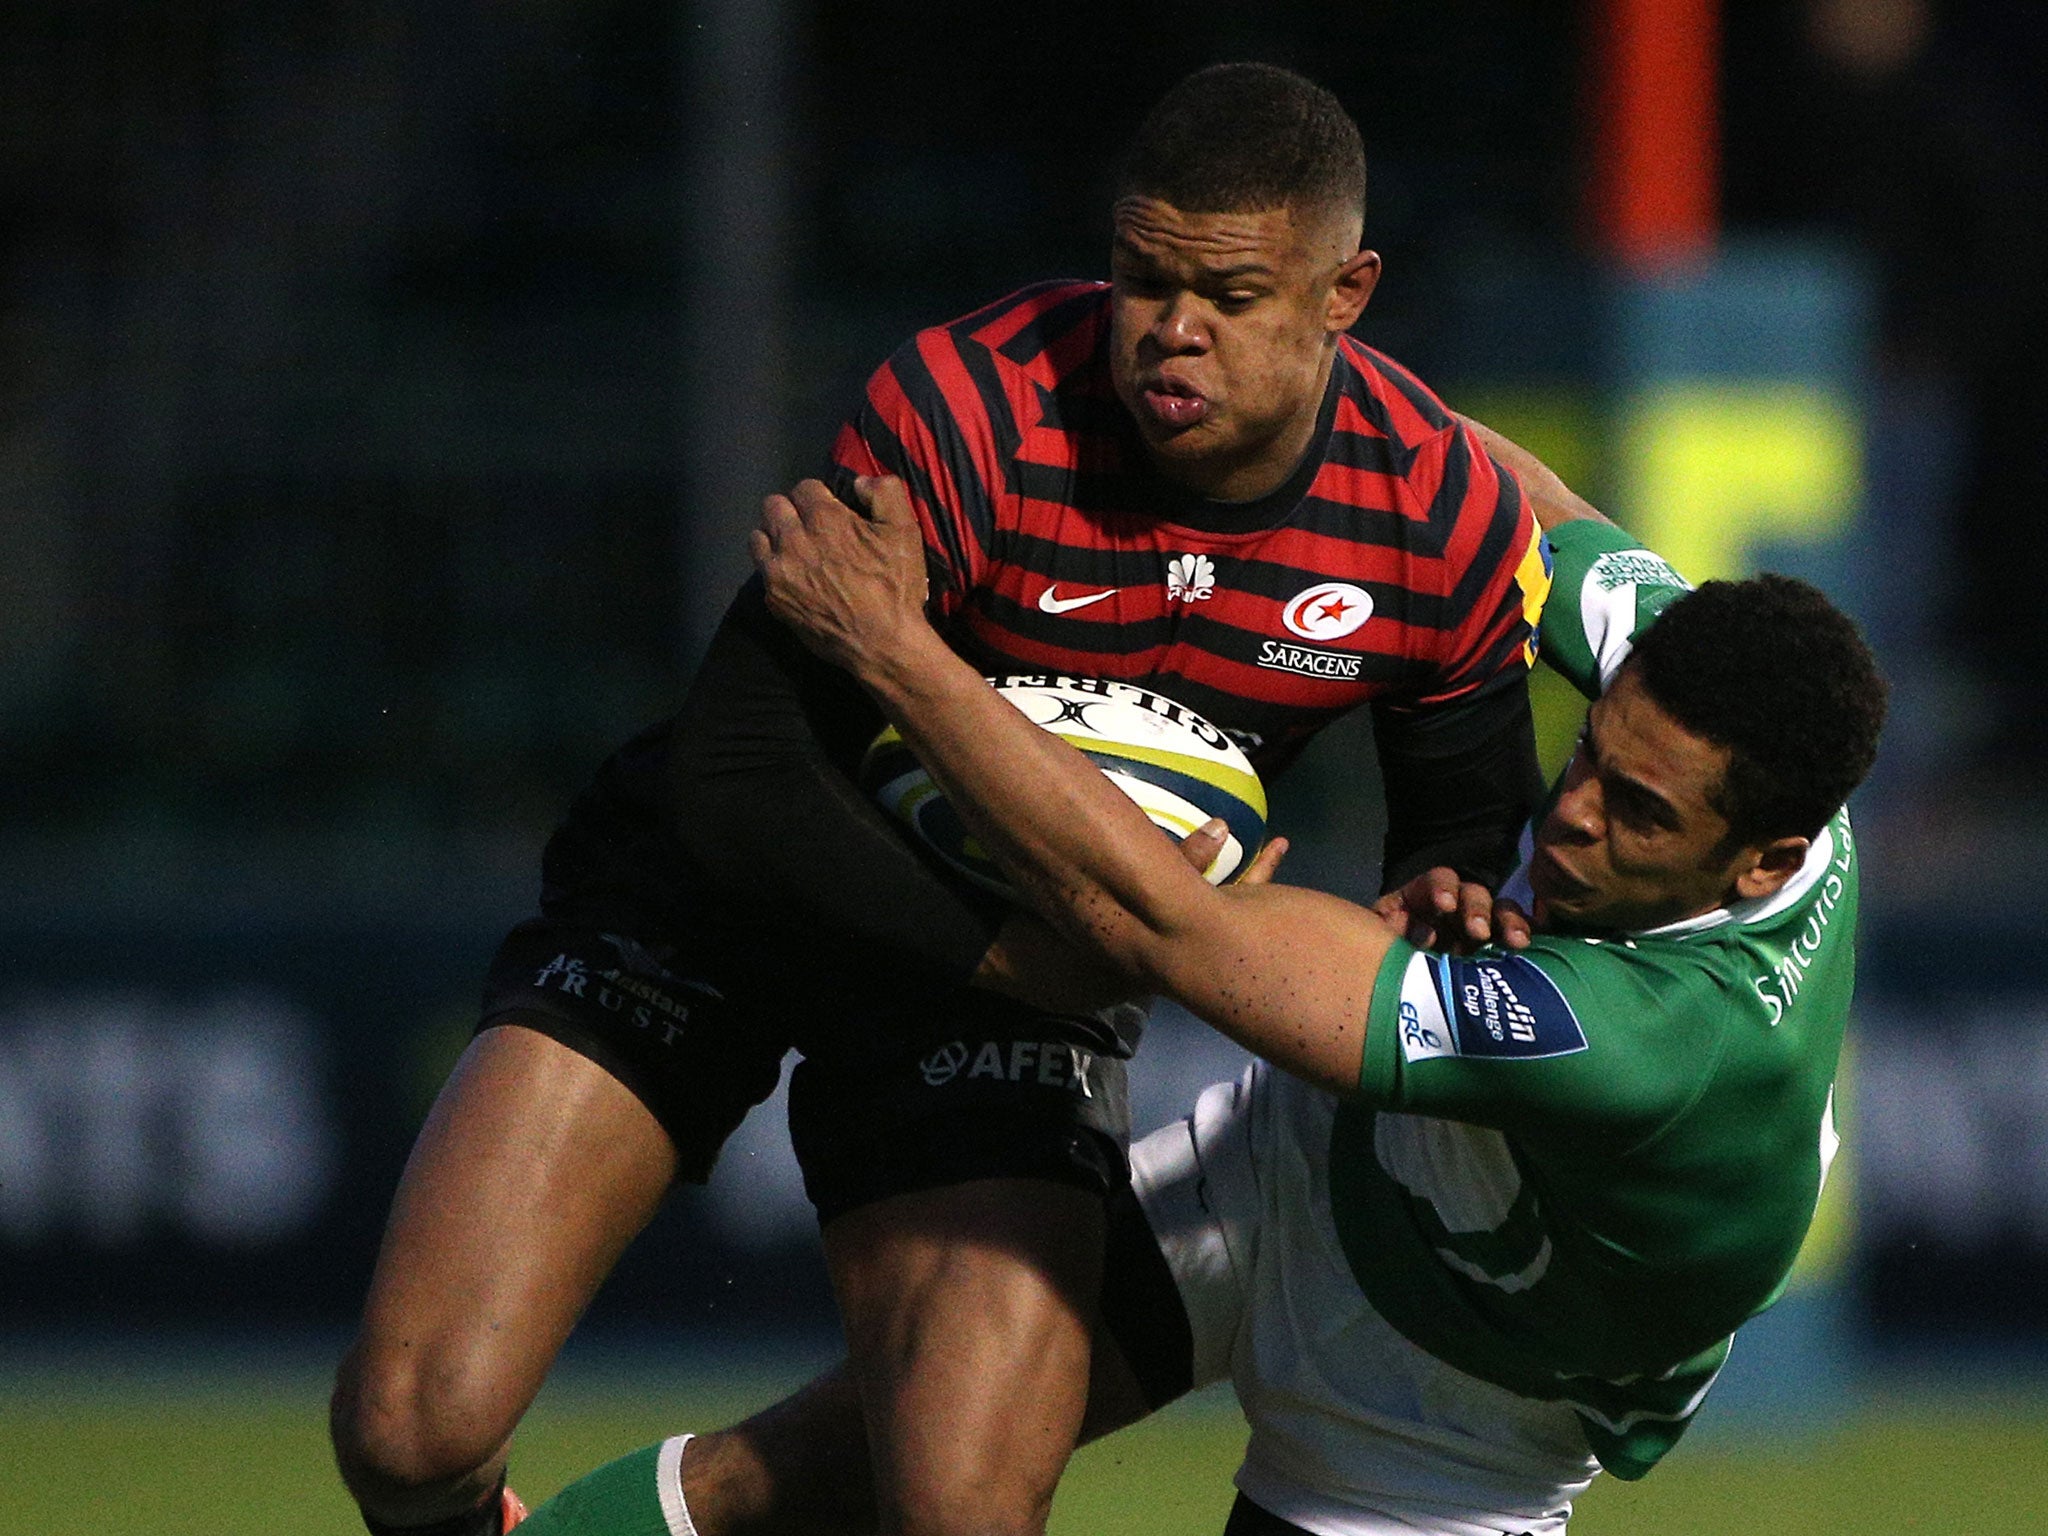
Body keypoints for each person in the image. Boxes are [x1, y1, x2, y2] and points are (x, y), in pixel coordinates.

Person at [329, 63, 1554, 1536]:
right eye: (1141, 276)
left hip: (1011, 974)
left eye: (1229, 296)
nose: (1170, 331)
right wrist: (1033, 956)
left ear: (1346, 290)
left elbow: (1462, 842)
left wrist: (1408, 909)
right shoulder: (979, 403)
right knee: (408, 1432)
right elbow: (736, 771)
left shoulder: (1440, 513)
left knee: (967, 1503)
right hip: (741, 891)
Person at [507, 430, 1886, 1535]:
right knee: (848, 1465)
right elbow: (1483, 484)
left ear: (1766, 860)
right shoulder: (1718, 705)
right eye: (1586, 754)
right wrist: (1308, 382)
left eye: (1636, 812)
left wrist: (897, 653)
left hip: (1448, 1414)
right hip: (1295, 1170)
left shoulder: (1674, 1038)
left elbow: (1174, 935)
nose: (1574, 814)